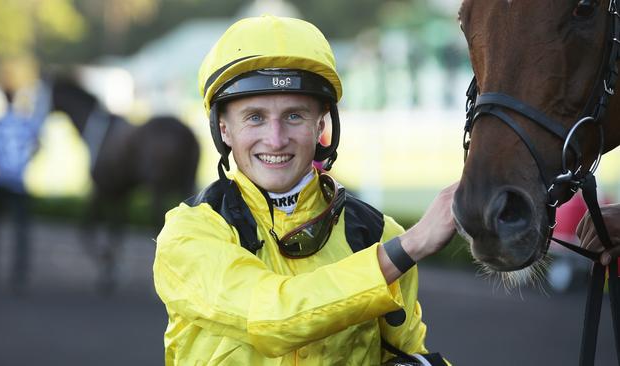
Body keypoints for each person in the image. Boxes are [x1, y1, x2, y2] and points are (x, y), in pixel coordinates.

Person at [153, 15, 456, 365]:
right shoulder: (189, 234)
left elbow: (408, 353)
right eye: (255, 117)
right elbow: (274, 316)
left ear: (321, 125)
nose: (276, 139)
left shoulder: (376, 234)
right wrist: (409, 247)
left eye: (294, 116)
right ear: (224, 130)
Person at [0, 80, 50, 292]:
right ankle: (19, 275)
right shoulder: (26, 123)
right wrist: (28, 160)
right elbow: (39, 143)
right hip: (18, 181)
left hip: (1, 179)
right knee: (21, 231)